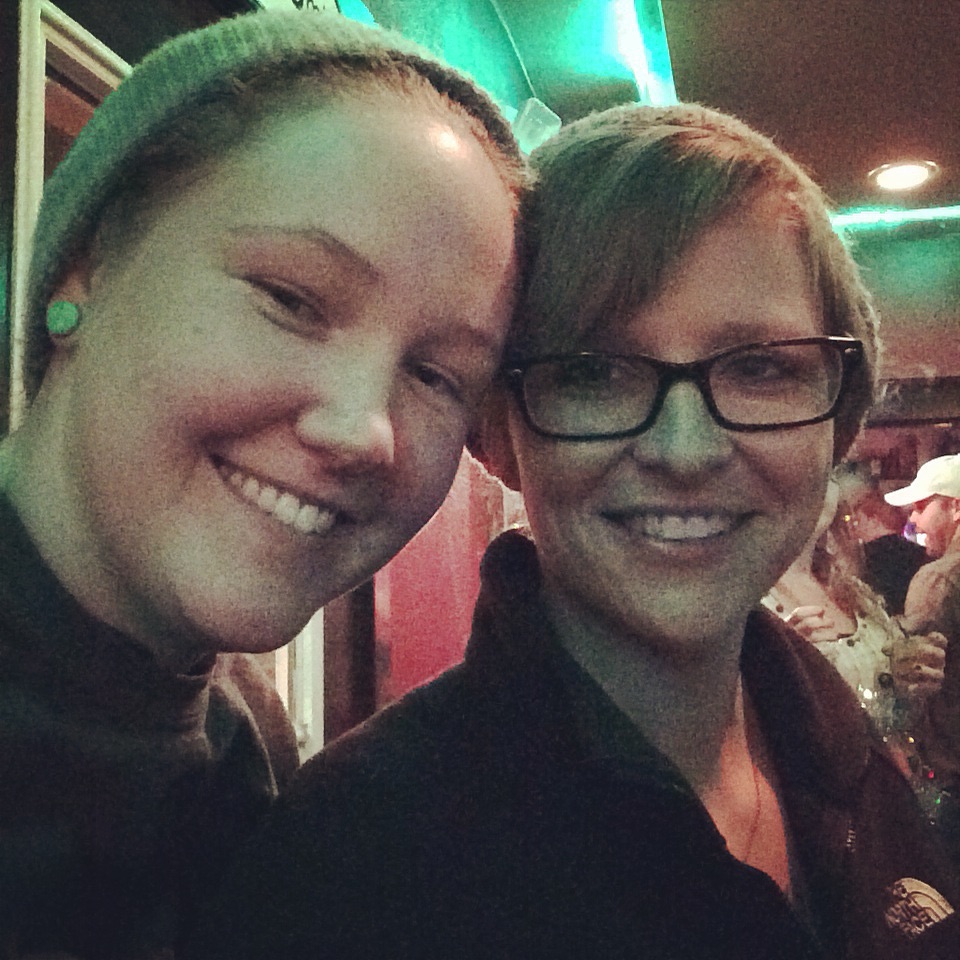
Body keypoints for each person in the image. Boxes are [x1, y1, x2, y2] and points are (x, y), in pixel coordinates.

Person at [188, 104, 959, 959]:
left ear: (838, 418)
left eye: (760, 367)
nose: (685, 449)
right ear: (497, 433)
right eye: (595, 373)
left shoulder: (848, 759)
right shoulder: (352, 864)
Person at [0, 10, 526, 958]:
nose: (364, 430)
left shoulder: (245, 748)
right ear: (87, 265)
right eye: (291, 298)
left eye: (436, 375)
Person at [764, 480, 947, 813]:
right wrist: (777, 662)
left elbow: (893, 714)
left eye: (829, 470)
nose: (817, 480)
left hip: (901, 800)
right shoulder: (751, 603)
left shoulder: (852, 591)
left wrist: (912, 680)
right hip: (825, 812)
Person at [886, 454, 960, 863]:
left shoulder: (940, 578)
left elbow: (912, 681)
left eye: (920, 506)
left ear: (955, 507)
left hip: (949, 776)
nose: (913, 521)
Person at [854, 488, 928, 615]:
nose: (854, 529)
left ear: (873, 520)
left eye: (858, 521)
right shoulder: (923, 554)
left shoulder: (863, 559)